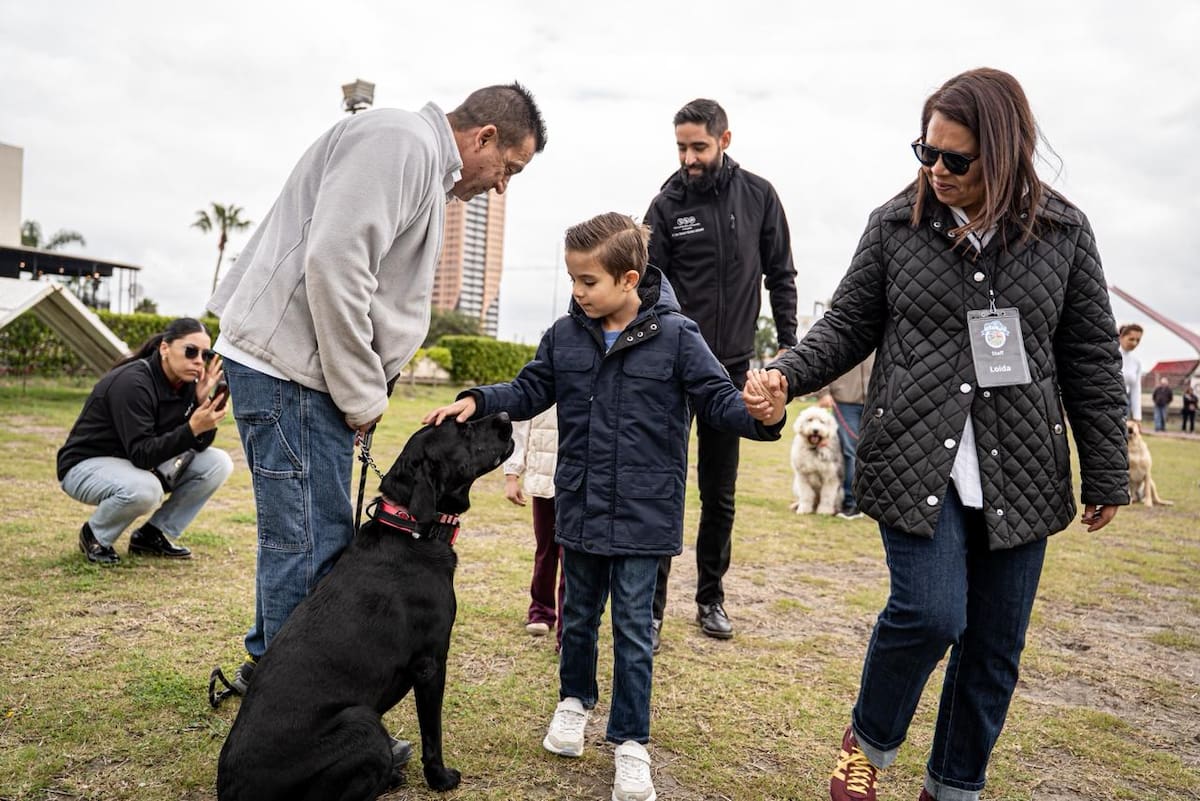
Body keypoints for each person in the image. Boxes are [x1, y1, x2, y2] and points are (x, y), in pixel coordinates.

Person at [753, 68, 1129, 801]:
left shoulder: (1065, 232)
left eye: (957, 158)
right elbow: (847, 324)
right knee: (930, 613)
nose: (937, 169)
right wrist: (784, 373)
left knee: (993, 647)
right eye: (926, 152)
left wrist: (1107, 468)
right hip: (915, 455)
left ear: (1007, 152)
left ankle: (954, 787)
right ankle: (869, 741)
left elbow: (1090, 355)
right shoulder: (895, 224)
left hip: (1023, 467)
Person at [423, 212, 785, 801]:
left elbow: (719, 400)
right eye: (572, 279)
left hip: (646, 517)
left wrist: (762, 413)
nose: (577, 291)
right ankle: (574, 701)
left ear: (629, 279)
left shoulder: (679, 337)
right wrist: (479, 400)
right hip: (582, 508)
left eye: (588, 281)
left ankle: (631, 742)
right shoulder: (564, 336)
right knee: (579, 617)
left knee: (634, 630)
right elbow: (529, 389)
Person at [205, 83, 547, 694]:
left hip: (302, 372)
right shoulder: (401, 141)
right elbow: (335, 264)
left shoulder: (417, 156)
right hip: (293, 372)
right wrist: (363, 395)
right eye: (509, 169)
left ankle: (275, 675)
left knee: (307, 536)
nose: (501, 186)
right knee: (309, 543)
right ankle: (295, 702)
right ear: (485, 137)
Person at [643, 97, 798, 647]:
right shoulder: (666, 204)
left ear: (724, 140)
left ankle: (711, 598)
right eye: (681, 148)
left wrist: (788, 348)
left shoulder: (759, 196)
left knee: (719, 493)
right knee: (662, 489)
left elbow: (781, 275)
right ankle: (651, 610)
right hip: (672, 369)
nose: (688, 158)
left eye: (699, 147)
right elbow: (646, 283)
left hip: (730, 372)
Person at [57, 317, 234, 565]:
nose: (198, 360)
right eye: (190, 351)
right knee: (146, 489)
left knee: (218, 463)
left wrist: (199, 402)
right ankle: (95, 535)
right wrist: (192, 427)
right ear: (165, 348)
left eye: (205, 355)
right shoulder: (133, 382)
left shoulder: (186, 384)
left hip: (132, 465)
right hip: (84, 466)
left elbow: (198, 445)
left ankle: (153, 535)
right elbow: (143, 454)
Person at [503, 406, 565, 647]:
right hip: (544, 478)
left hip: (581, 483)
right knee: (546, 549)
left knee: (573, 557)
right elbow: (519, 428)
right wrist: (512, 475)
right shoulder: (542, 384)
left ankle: (569, 628)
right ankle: (541, 610)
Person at [817, 352, 876, 519]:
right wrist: (824, 392)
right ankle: (851, 503)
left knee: (873, 452)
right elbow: (825, 361)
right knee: (851, 452)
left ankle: (870, 503)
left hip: (875, 401)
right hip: (845, 402)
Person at [1117, 323, 1144, 422]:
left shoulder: (1137, 362)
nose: (1134, 343)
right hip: (1107, 403)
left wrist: (1137, 416)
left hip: (1125, 404)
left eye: (1138, 340)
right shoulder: (1111, 356)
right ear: (1121, 337)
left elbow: (1136, 389)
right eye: (1131, 339)